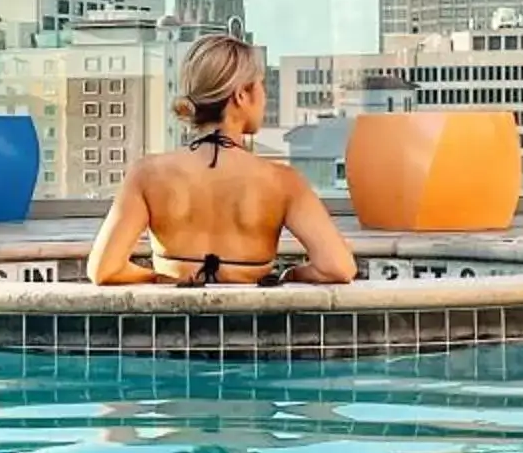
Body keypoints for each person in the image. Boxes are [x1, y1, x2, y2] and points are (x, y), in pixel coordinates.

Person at [86, 32, 358, 287]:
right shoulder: (282, 182)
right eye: (261, 86)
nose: (266, 96)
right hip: (251, 330)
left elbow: (104, 269)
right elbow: (338, 267)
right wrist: (288, 275)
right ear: (241, 94)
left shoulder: (147, 174)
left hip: (176, 331)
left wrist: (161, 279)